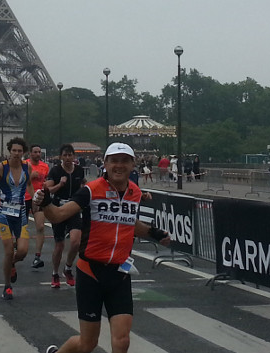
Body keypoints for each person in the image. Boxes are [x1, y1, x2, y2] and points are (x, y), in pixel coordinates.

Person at [37, 142, 171, 353]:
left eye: (124, 161)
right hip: (91, 273)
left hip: (119, 274)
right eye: (114, 161)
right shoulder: (91, 190)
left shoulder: (135, 192)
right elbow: (58, 215)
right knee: (87, 343)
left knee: (122, 341)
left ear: (132, 165)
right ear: (105, 164)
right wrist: (45, 203)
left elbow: (129, 223)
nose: (119, 166)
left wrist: (154, 233)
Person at [0, 137, 32, 301]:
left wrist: (36, 199)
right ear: (9, 151)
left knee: (23, 251)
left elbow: (29, 185)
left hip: (21, 212)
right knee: (9, 251)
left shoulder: (27, 167)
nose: (16, 154)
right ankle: (7, 286)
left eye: (19, 151)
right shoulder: (1, 167)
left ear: (23, 152)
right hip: (4, 212)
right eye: (14, 151)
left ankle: (11, 264)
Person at [44, 144, 86, 289]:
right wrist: (59, 185)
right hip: (58, 209)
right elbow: (47, 189)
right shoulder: (56, 171)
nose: (68, 158)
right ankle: (55, 273)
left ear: (74, 157)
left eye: (70, 155)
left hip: (73, 208)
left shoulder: (79, 171)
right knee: (60, 245)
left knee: (76, 241)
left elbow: (83, 186)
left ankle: (68, 268)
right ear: (61, 157)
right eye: (65, 155)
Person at [26, 144, 50, 270]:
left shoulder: (45, 166)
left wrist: (47, 185)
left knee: (40, 227)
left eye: (39, 152)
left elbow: (48, 181)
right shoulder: (24, 165)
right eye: (35, 152)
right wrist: (30, 177)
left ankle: (37, 256)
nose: (37, 154)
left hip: (38, 198)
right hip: (24, 197)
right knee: (21, 227)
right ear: (30, 153)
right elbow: (17, 181)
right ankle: (16, 246)